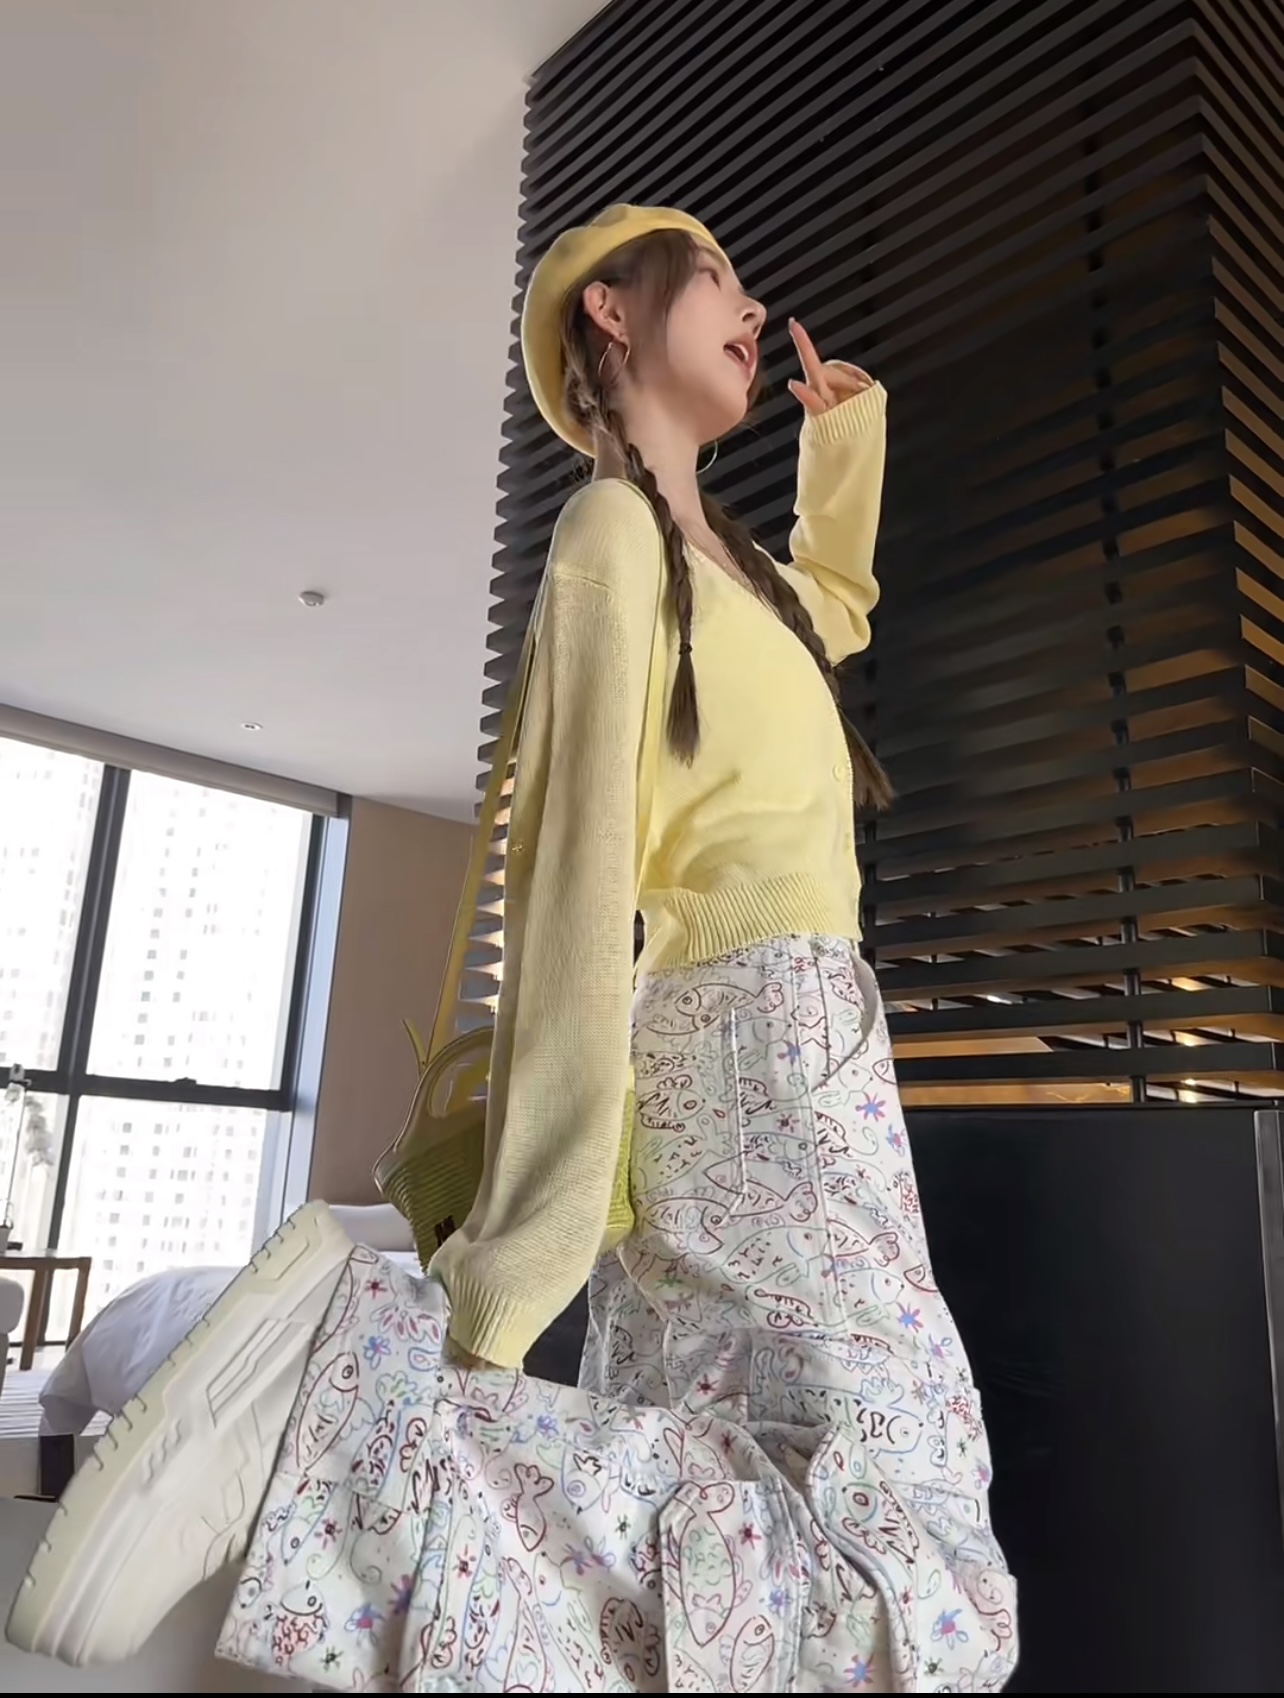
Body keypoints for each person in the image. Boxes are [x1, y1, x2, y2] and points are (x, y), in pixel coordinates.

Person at [7, 205, 1017, 1693]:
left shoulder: (731, 567)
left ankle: (352, 1420)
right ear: (611, 309)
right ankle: (351, 1394)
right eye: (718, 279)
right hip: (752, 1042)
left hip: (800, 1040)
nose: (751, 309)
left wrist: (843, 445)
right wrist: (510, 1273)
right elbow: (571, 894)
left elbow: (837, 612)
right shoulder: (612, 538)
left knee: (727, 1524)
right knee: (915, 1570)